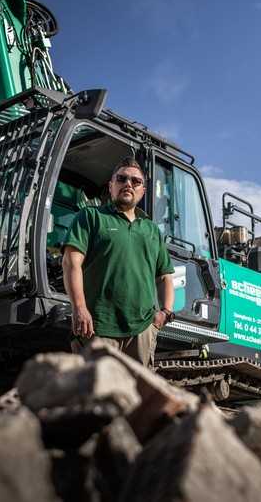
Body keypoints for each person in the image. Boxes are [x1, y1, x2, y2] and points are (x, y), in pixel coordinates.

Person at [62, 157, 175, 368]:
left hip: (142, 330)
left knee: (136, 388)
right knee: (95, 387)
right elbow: (71, 263)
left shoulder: (151, 230)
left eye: (136, 181)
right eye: (122, 179)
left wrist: (165, 313)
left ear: (143, 191)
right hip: (96, 327)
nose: (128, 184)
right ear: (111, 185)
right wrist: (79, 307)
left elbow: (165, 277)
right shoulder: (91, 217)